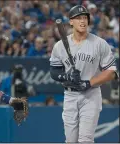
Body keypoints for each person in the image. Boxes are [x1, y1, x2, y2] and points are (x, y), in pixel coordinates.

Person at [49, 5, 118, 143]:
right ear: (71, 21)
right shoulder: (60, 45)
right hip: (70, 95)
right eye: (78, 18)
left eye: (85, 18)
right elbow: (54, 71)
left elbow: (111, 72)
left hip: (91, 95)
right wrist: (67, 76)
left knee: (85, 140)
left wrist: (88, 83)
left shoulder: (99, 43)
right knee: (70, 141)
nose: (82, 21)